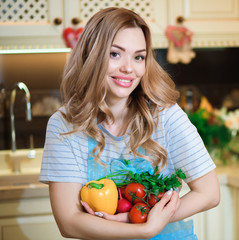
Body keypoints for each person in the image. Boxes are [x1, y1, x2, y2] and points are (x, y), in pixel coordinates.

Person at [40, 7, 220, 240]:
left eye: (138, 57)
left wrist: (135, 218)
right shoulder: (64, 124)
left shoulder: (166, 115)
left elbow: (209, 193)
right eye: (115, 54)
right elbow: (69, 223)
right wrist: (144, 229)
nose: (128, 68)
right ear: (92, 55)